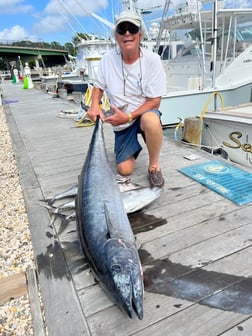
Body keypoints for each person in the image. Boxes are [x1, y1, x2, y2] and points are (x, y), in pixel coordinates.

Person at [87, 10, 167, 187]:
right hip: (121, 122)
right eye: (122, 30)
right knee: (125, 170)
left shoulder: (153, 60)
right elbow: (98, 86)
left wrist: (130, 116)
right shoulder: (107, 59)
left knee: (152, 120)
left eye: (132, 28)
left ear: (140, 34)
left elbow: (155, 101)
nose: (127, 34)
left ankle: (154, 166)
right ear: (116, 36)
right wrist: (94, 105)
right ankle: (133, 147)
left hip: (141, 114)